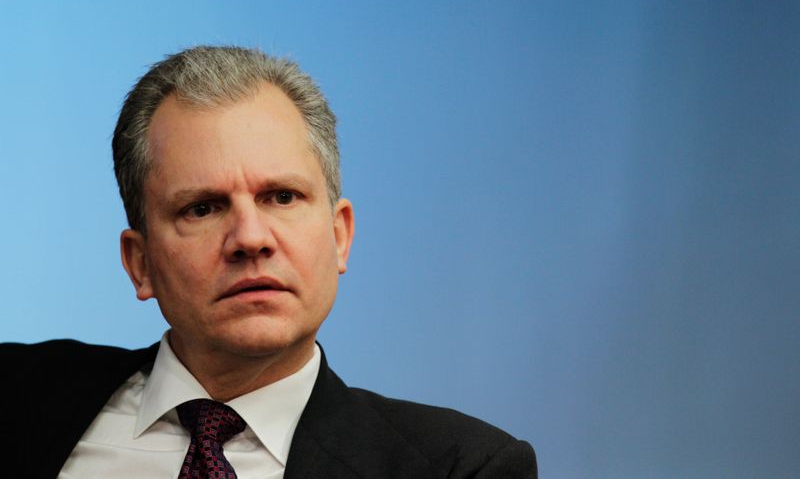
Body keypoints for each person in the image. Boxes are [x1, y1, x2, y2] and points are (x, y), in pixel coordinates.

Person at [1, 45, 537, 478]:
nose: (250, 239)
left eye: (281, 197)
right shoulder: (18, 398)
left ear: (339, 235)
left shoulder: (458, 467)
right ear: (139, 263)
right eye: (202, 208)